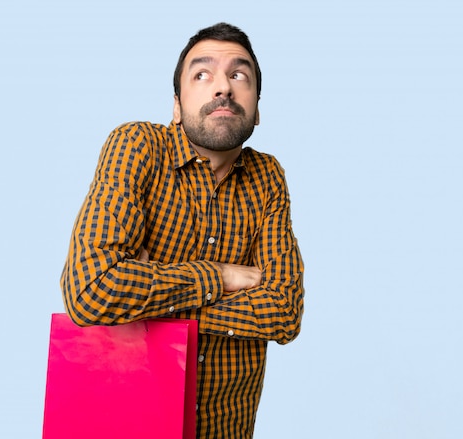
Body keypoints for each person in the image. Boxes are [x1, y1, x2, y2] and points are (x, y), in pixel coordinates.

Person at [60, 22, 304, 439]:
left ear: (258, 108)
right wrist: (222, 276)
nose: (222, 87)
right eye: (202, 74)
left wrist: (148, 299)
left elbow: (284, 311)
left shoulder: (268, 176)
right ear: (176, 105)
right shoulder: (136, 145)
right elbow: (91, 291)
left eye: (239, 75)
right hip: (124, 421)